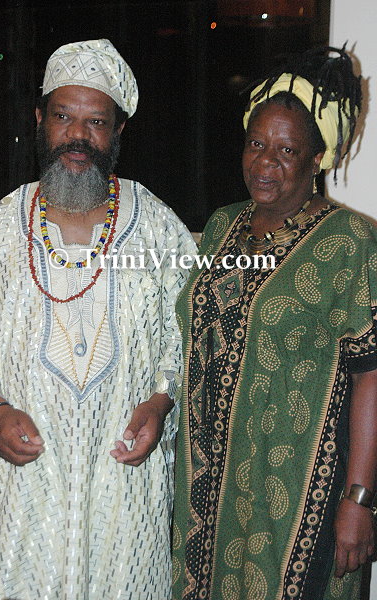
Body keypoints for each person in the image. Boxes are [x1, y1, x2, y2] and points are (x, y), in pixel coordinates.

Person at [0, 39, 196, 600]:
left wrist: (161, 401)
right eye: (63, 117)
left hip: (125, 483)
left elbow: (190, 333)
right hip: (24, 489)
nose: (78, 136)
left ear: (118, 130)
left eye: (96, 121)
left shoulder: (157, 228)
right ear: (39, 120)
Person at [172, 46, 377, 600]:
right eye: (256, 144)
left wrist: (359, 500)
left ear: (318, 159)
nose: (265, 163)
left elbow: (371, 374)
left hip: (297, 493)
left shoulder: (349, 242)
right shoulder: (222, 227)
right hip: (207, 488)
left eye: (287, 150)